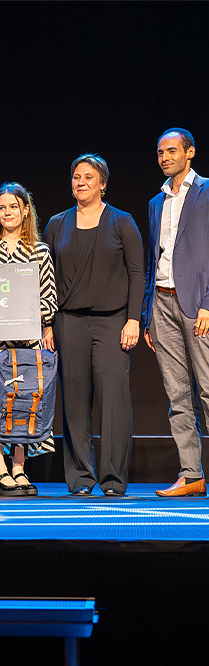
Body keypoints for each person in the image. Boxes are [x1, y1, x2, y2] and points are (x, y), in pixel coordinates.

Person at [44, 154, 144, 496]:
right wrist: (46, 325)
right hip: (68, 322)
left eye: (88, 177)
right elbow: (46, 278)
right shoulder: (57, 224)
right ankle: (81, 478)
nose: (81, 182)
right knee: (74, 401)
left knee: (114, 400)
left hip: (113, 321)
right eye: (75, 177)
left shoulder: (122, 222)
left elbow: (136, 274)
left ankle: (113, 480)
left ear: (102, 183)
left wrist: (134, 319)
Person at [0, 183, 57, 496]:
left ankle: (19, 468)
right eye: (2, 208)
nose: (7, 213)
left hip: (24, 345)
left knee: (21, 403)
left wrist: (27, 317)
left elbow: (49, 299)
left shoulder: (39, 252)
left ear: (25, 210)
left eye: (13, 207)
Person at [143, 128, 209, 497]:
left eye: (171, 150)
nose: (165, 157)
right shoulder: (157, 201)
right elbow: (155, 259)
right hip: (163, 302)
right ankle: (192, 474)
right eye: (160, 152)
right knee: (178, 395)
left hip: (198, 303)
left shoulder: (206, 192)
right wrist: (148, 309)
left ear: (190, 152)